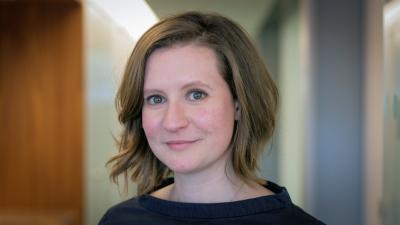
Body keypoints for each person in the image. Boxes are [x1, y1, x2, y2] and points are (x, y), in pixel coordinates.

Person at [99, 11, 325, 225]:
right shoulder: (120, 220)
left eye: (196, 95)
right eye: (156, 99)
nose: (172, 122)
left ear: (239, 103)